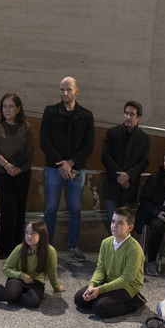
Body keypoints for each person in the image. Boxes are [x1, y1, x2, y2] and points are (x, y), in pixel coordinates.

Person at [40, 76, 95, 261]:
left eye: (69, 89)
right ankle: (46, 247)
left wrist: (70, 163)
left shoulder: (86, 115)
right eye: (62, 89)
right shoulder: (50, 112)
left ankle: (73, 246)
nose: (65, 93)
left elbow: (89, 146)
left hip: (76, 169)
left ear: (76, 91)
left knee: (75, 209)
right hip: (54, 168)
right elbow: (44, 141)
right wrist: (62, 164)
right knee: (51, 209)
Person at [73, 207, 145, 318]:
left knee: (100, 308)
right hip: (109, 280)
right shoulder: (106, 242)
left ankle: (134, 303)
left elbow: (126, 279)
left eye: (120, 223)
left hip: (127, 286)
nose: (114, 226)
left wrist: (100, 290)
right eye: (113, 221)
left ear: (130, 227)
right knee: (79, 299)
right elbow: (101, 268)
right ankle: (104, 297)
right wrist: (92, 285)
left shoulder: (134, 249)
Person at [0, 93, 35, 259]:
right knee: (8, 209)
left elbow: (29, 154)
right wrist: (7, 166)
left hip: (22, 173)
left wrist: (18, 169)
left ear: (18, 108)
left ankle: (19, 251)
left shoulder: (26, 127)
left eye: (11, 106)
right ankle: (4, 252)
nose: (7, 110)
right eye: (4, 106)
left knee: (20, 211)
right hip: (0, 172)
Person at [100, 100, 151, 224]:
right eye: (126, 113)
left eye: (132, 114)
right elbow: (105, 156)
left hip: (129, 188)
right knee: (112, 223)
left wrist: (128, 175)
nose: (128, 117)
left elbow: (144, 162)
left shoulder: (144, 138)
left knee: (125, 225)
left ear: (138, 117)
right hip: (112, 186)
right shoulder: (112, 133)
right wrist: (120, 176)